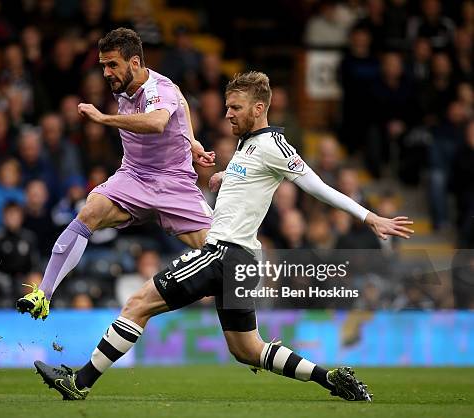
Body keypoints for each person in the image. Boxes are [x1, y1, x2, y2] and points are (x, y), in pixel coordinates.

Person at [34, 72, 415, 402]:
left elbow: (317, 186)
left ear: (259, 108)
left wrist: (369, 217)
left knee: (138, 304)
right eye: (228, 106)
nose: (227, 113)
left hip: (224, 254)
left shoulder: (272, 146)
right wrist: (223, 177)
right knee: (247, 349)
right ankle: (330, 378)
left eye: (235, 107)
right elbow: (248, 185)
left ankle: (78, 381)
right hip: (243, 262)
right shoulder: (249, 147)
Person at [17, 28, 215, 319]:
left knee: (220, 253)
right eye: (103, 65)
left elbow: (159, 122)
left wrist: (103, 118)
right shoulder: (126, 86)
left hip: (174, 183)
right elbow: (183, 103)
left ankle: (247, 336)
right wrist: (193, 139)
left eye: (112, 65)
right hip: (133, 176)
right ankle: (44, 295)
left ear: (134, 63)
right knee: (89, 212)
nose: (107, 72)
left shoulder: (158, 89)